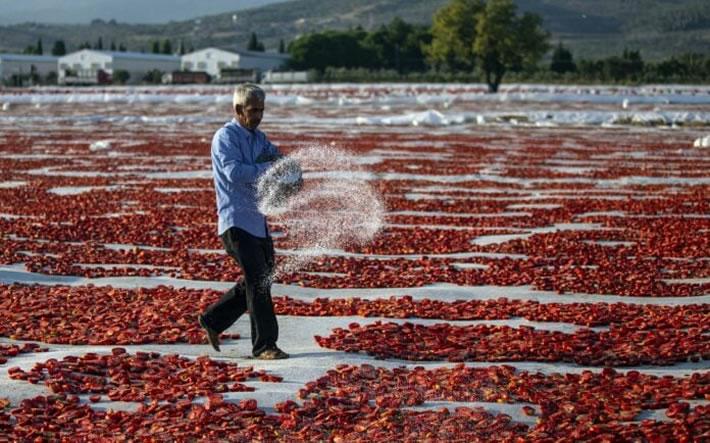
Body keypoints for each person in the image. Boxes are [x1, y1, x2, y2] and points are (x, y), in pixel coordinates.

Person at [198, 83, 288, 360]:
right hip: (235, 222)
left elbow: (277, 159)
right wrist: (268, 169)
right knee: (259, 280)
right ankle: (264, 345)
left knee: (260, 279)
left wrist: (288, 168)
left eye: (261, 110)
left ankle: (213, 320)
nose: (258, 115)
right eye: (253, 110)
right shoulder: (226, 138)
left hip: (257, 222)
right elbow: (234, 172)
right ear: (238, 110)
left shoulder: (259, 138)